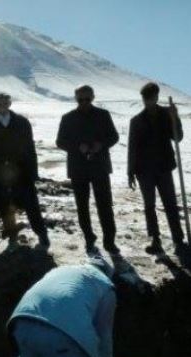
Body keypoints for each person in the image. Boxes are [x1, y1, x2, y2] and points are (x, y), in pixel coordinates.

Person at [0, 93, 50, 250]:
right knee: (5, 205)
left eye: (5, 102)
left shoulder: (22, 121)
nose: (2, 105)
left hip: (21, 171)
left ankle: (42, 234)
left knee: (31, 204)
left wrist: (33, 172)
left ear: (9, 103)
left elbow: (30, 147)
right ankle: (12, 236)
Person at [56, 85, 121, 255]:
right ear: (76, 98)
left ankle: (109, 240)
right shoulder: (68, 118)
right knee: (82, 206)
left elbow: (114, 136)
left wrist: (101, 145)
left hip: (100, 166)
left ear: (93, 97)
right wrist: (78, 147)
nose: (84, 102)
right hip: (78, 168)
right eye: (80, 99)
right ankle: (89, 238)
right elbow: (60, 141)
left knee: (105, 205)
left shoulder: (103, 115)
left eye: (87, 99)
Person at [127, 82, 186, 255]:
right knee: (149, 205)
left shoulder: (167, 114)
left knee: (170, 204)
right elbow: (132, 147)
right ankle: (155, 238)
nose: (148, 101)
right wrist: (130, 171)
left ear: (156, 97)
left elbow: (178, 137)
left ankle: (178, 238)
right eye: (145, 99)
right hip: (144, 170)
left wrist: (176, 118)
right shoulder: (136, 121)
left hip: (164, 167)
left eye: (151, 98)